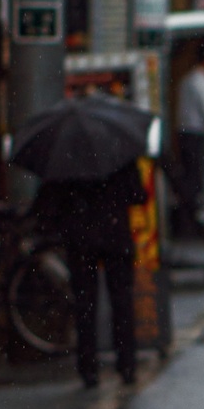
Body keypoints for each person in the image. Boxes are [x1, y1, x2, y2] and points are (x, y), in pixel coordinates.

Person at [37, 157, 145, 390]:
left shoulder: (66, 158)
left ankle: (88, 368)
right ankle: (126, 364)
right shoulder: (118, 151)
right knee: (122, 301)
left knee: (85, 305)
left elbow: (51, 202)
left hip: (81, 239)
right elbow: (137, 195)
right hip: (116, 235)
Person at [174, 50, 204, 272]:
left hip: (185, 133)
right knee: (197, 181)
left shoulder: (187, 79)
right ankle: (198, 220)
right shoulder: (201, 81)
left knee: (191, 180)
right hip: (196, 135)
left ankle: (192, 218)